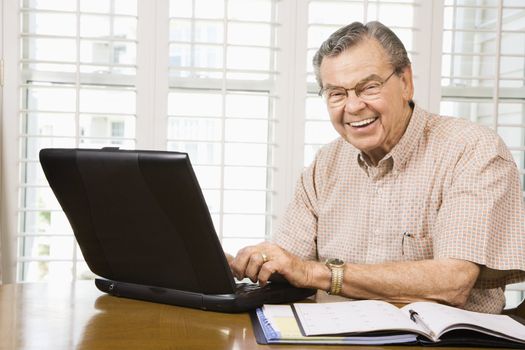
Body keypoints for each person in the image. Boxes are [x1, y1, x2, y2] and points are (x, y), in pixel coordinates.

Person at [229, 21, 525, 314]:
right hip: (335, 341)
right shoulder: (325, 165)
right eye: (336, 93)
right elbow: (291, 266)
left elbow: (454, 283)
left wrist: (316, 274)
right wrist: (239, 266)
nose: (353, 106)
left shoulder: (472, 149)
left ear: (406, 82)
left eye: (368, 87)